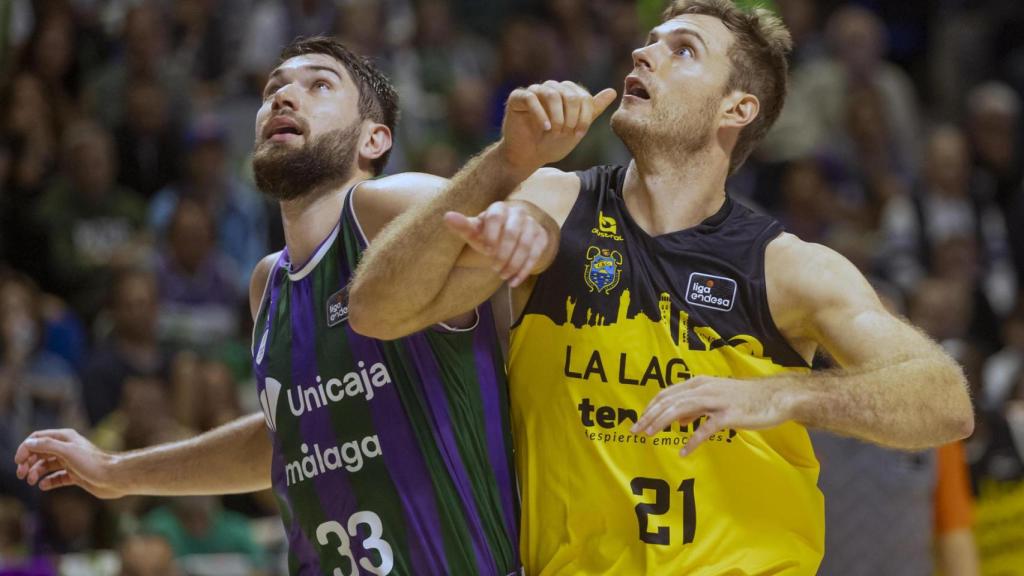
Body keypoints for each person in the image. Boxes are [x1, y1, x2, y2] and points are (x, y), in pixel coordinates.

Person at [348, 0, 975, 573]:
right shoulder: (555, 202)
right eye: (649, 42)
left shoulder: (787, 267)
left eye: (683, 50)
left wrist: (785, 393)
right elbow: (374, 311)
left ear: (737, 108)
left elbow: (945, 401)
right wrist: (505, 163)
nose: (644, 54)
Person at [15, 35, 558, 575]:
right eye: (273, 88)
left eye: (319, 84)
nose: (283, 97)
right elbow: (287, 438)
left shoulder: (382, 206)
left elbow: (533, 216)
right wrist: (114, 471)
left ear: (373, 140)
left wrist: (523, 212)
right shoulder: (267, 283)